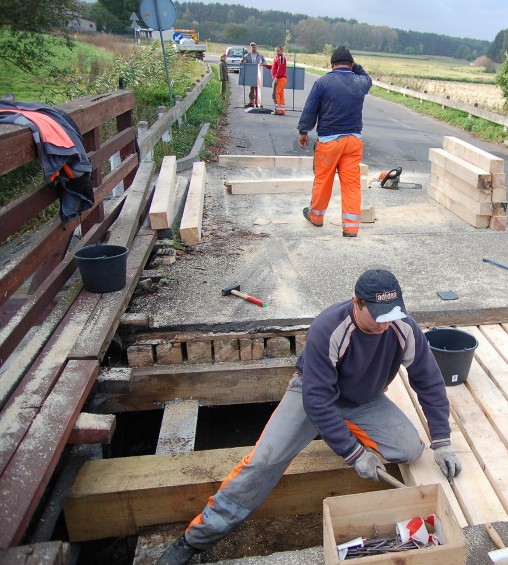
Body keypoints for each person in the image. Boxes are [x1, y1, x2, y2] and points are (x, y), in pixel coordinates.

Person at [157, 269, 462, 565]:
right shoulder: (329, 328)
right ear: (357, 303)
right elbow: (317, 400)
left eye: (392, 313)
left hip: (362, 400)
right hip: (311, 396)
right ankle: (196, 538)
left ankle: (339, 428)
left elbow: (429, 381)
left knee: (409, 449)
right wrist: (353, 453)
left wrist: (442, 441)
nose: (386, 324)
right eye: (379, 315)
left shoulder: (402, 328)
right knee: (265, 461)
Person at [298, 45, 372, 238]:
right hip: (353, 141)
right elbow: (368, 79)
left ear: (332, 64)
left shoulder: (322, 82)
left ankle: (316, 217)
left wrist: (303, 131)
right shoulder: (360, 83)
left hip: (329, 142)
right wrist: (356, 67)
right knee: (351, 184)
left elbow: (310, 109)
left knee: (323, 180)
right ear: (351, 64)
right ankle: (351, 227)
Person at [240, 42, 265, 107]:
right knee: (252, 89)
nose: (253, 48)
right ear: (250, 48)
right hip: (251, 74)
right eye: (252, 47)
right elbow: (243, 63)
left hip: (257, 74)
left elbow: (264, 62)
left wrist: (261, 64)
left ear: (256, 47)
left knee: (257, 89)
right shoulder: (247, 56)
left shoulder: (260, 56)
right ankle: (251, 102)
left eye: (254, 47)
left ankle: (257, 102)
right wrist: (242, 61)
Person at [270, 45, 287, 115]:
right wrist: (266, 65)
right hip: (282, 78)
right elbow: (274, 67)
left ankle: (278, 110)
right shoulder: (278, 58)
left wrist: (277, 77)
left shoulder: (281, 58)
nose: (277, 52)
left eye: (278, 51)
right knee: (280, 94)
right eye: (276, 51)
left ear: (281, 51)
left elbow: (281, 68)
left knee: (275, 94)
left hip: (279, 78)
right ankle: (281, 110)